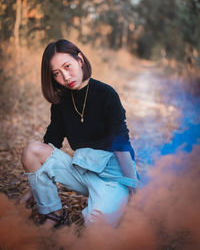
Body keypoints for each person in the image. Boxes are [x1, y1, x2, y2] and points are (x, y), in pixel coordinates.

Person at [21, 39, 138, 228]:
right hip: (82, 172)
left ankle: (108, 202)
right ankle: (55, 215)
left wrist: (134, 188)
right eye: (56, 73)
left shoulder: (106, 94)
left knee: (96, 228)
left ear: (80, 60)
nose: (66, 77)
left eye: (68, 66)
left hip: (112, 178)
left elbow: (122, 144)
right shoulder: (60, 102)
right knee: (32, 150)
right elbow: (51, 145)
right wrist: (33, 191)